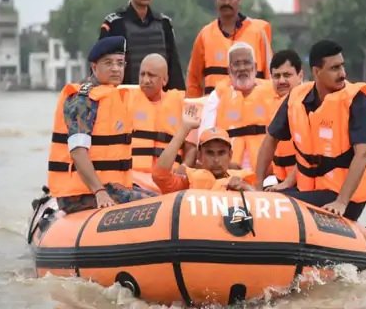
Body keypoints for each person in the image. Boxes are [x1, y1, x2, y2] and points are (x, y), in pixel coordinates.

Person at [256, 40, 366, 221]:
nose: (343, 73)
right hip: (311, 189)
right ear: (317, 72)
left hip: (344, 196)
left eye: (342, 66)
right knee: (264, 198)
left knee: (275, 202)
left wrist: (341, 202)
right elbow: (271, 139)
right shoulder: (297, 97)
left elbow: (363, 153)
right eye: (334, 68)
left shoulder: (356, 100)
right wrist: (258, 186)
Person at [47, 36, 154, 214]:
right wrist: (100, 191)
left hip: (111, 186)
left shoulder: (112, 94)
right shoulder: (83, 100)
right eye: (108, 63)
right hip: (80, 194)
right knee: (153, 204)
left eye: (120, 63)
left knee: (158, 198)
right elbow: (78, 152)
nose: (115, 68)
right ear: (94, 67)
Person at [98, 0, 185, 90]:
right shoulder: (115, 24)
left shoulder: (163, 24)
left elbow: (174, 69)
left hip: (159, 102)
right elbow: (102, 67)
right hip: (126, 100)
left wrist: (180, 99)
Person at [186, 0, 272, 97]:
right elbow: (193, 79)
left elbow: (270, 77)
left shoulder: (258, 32)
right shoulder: (205, 35)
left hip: (251, 110)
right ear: (216, 0)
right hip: (215, 110)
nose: (226, 2)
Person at [126, 53, 197, 193]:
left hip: (167, 182)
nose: (145, 80)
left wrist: (185, 167)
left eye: (151, 75)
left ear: (164, 80)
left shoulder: (182, 103)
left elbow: (191, 148)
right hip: (133, 181)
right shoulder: (126, 98)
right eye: (142, 74)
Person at [198, 41, 274, 171]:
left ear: (255, 67)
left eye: (246, 63)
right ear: (229, 70)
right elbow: (205, 137)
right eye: (236, 64)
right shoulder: (217, 95)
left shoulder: (273, 92)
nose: (242, 68)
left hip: (268, 172)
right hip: (227, 171)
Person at [152, 105, 256, 193]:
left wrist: (247, 188)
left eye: (221, 153)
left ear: (230, 155)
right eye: (210, 153)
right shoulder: (188, 181)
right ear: (199, 156)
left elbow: (263, 204)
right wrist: (184, 128)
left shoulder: (243, 181)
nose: (216, 160)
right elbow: (159, 176)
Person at [260, 49, 304, 189]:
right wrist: (256, 182)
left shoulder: (308, 104)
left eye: (287, 75)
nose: (281, 81)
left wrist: (287, 183)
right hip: (281, 181)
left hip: (303, 184)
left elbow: (312, 155)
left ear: (300, 75)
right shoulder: (274, 105)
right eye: (276, 76)